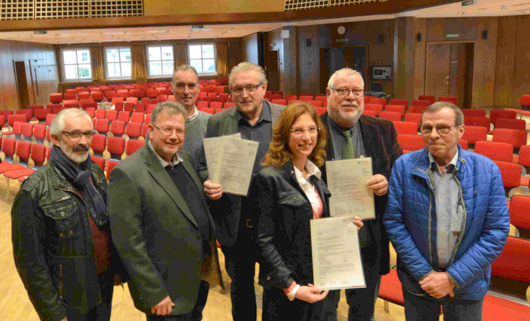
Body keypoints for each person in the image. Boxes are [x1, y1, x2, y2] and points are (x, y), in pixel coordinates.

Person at [384, 102, 510, 321]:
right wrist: (426, 273)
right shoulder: (404, 166)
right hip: (419, 281)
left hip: (467, 283)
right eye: (427, 128)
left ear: (460, 131)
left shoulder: (487, 169)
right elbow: (395, 223)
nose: (433, 135)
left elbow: (496, 231)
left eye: (443, 127)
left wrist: (452, 278)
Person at [249, 102, 363, 321]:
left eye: (312, 129)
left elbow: (315, 222)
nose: (306, 137)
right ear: (284, 134)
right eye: (298, 130)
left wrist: (344, 225)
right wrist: (291, 287)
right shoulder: (268, 178)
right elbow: (262, 241)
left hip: (321, 281)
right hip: (289, 288)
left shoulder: (315, 175)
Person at [108, 101, 221, 320]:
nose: (173, 136)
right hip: (165, 289)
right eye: (167, 129)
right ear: (150, 131)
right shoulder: (127, 173)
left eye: (179, 131)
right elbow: (128, 243)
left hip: (195, 279)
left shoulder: (186, 160)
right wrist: (153, 293)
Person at [12, 108, 117, 321]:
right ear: (56, 139)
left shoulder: (94, 173)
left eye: (88, 134)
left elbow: (106, 227)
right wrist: (52, 312)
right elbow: (30, 263)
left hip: (102, 287)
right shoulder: (34, 190)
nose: (84, 141)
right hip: (68, 297)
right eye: (74, 134)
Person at [198, 62, 284, 321]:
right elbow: (204, 165)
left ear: (264, 88)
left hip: (276, 223)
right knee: (241, 289)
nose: (244, 94)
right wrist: (208, 181)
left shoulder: (285, 116)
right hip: (235, 224)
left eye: (251, 87)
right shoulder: (217, 122)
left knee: (276, 288)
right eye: (237, 89)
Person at [321, 68, 403, 321]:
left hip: (368, 239)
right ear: (328, 94)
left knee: (363, 312)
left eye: (357, 91)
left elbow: (400, 175)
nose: (350, 97)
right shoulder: (310, 129)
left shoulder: (383, 129)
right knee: (323, 311)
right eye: (342, 91)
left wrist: (387, 181)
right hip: (326, 241)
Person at [172, 64, 211, 163]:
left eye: (191, 86)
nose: (186, 91)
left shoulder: (212, 123)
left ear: (198, 88)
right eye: (180, 85)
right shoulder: (159, 123)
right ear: (172, 88)